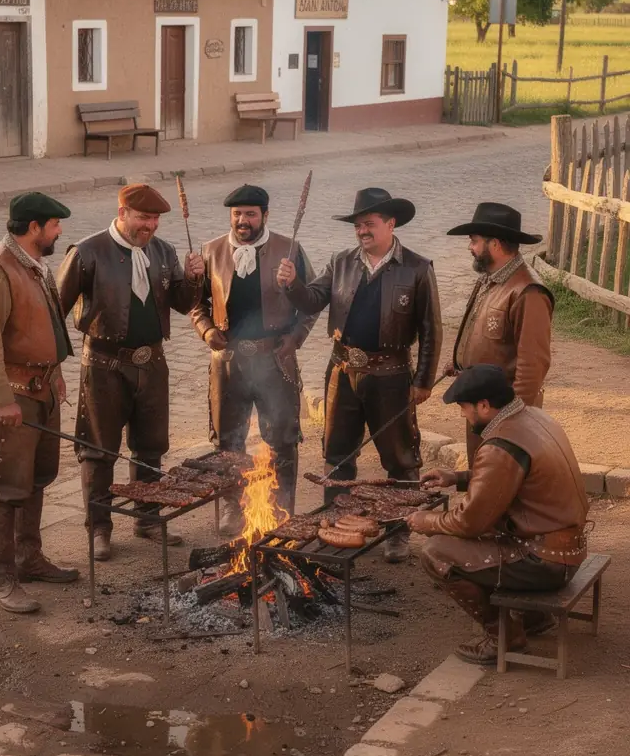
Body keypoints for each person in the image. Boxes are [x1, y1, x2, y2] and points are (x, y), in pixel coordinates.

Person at [277, 186, 442, 563]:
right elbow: (312, 301)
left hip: (392, 374)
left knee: (400, 457)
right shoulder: (341, 262)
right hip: (342, 371)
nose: (362, 231)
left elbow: (432, 329)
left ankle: (398, 531)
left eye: (369, 224)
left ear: (390, 223)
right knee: (337, 454)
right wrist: (291, 285)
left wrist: (423, 381)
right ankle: (337, 523)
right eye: (357, 225)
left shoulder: (417, 268)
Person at [56, 183, 205, 562]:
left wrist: (193, 279)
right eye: (143, 217)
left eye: (155, 219)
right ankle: (100, 528)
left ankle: (147, 518)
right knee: (98, 450)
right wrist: (51, 366)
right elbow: (55, 312)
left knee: (151, 447)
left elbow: (182, 304)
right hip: (104, 366)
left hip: (152, 364)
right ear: (122, 213)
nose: (150, 226)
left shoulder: (163, 251)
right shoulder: (88, 253)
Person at [408, 364, 588, 666]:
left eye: (464, 409)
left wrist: (423, 521)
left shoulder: (501, 445)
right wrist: (457, 478)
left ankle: (504, 638)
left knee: (436, 552)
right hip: (567, 549)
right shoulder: (531, 417)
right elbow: (512, 478)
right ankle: (533, 616)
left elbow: (469, 521)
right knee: (481, 535)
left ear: (484, 405)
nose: (463, 416)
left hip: (546, 561)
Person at [0, 191, 77, 615]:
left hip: (42, 390)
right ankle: (1, 578)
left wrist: (57, 374)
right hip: (13, 397)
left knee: (36, 477)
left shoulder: (35, 264)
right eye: (54, 225)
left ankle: (28, 558)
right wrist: (1, 401)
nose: (59, 231)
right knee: (4, 486)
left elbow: (48, 324)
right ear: (34, 228)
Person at [190, 184, 317, 537]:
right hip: (228, 364)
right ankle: (233, 506)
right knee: (229, 442)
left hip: (274, 361)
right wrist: (205, 330)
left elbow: (310, 304)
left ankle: (281, 509)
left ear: (264, 215)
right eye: (237, 215)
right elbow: (196, 304)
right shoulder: (211, 251)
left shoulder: (289, 250)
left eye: (250, 214)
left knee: (283, 438)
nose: (243, 221)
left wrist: (294, 340)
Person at [445, 202, 553, 462]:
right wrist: (461, 362)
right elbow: (484, 334)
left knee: (502, 480)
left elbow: (532, 366)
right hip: (484, 408)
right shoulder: (491, 277)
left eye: (474, 241)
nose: (470, 248)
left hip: (503, 413)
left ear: (494, 244)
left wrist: (512, 422)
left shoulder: (528, 292)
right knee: (482, 473)